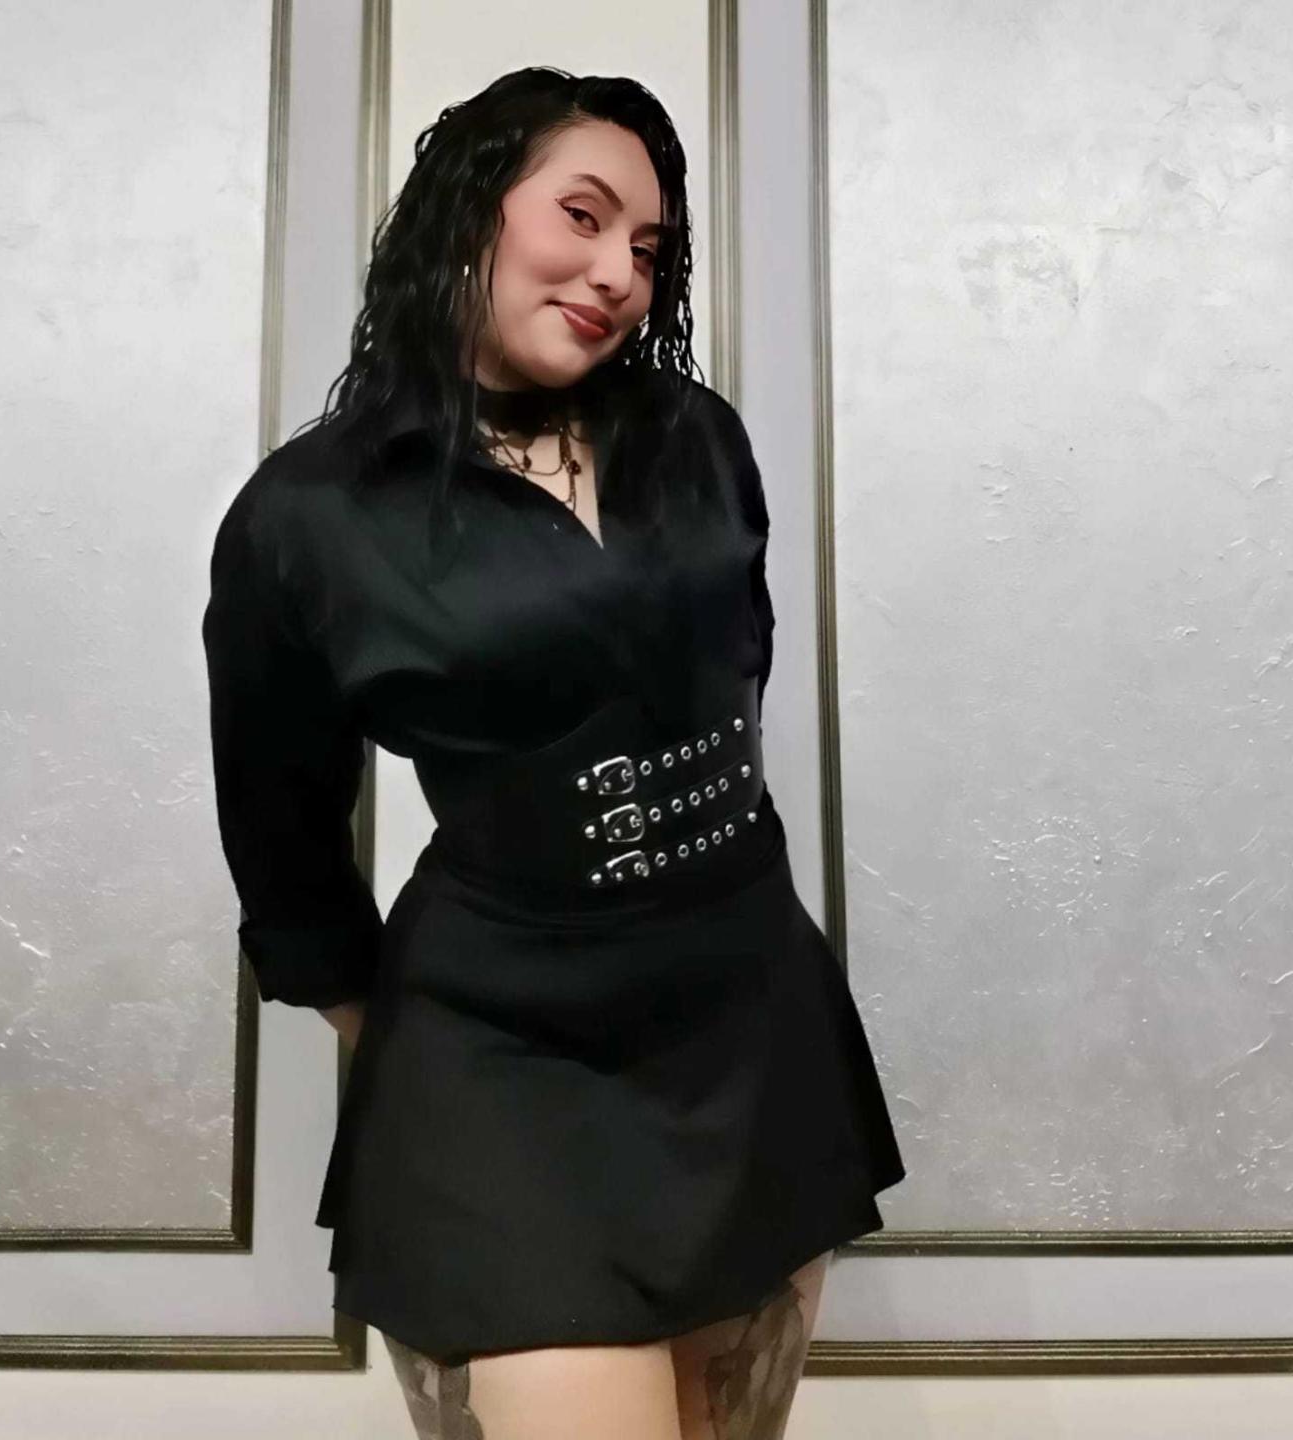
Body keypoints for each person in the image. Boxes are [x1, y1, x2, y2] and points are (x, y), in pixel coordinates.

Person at [202, 65, 905, 1439]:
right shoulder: (308, 516)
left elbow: (737, 681)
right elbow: (279, 826)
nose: (617, 273)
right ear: (469, 207)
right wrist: (384, 1035)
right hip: (502, 1059)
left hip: (748, 1023)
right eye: (581, 217)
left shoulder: (697, 440)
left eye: (648, 247)